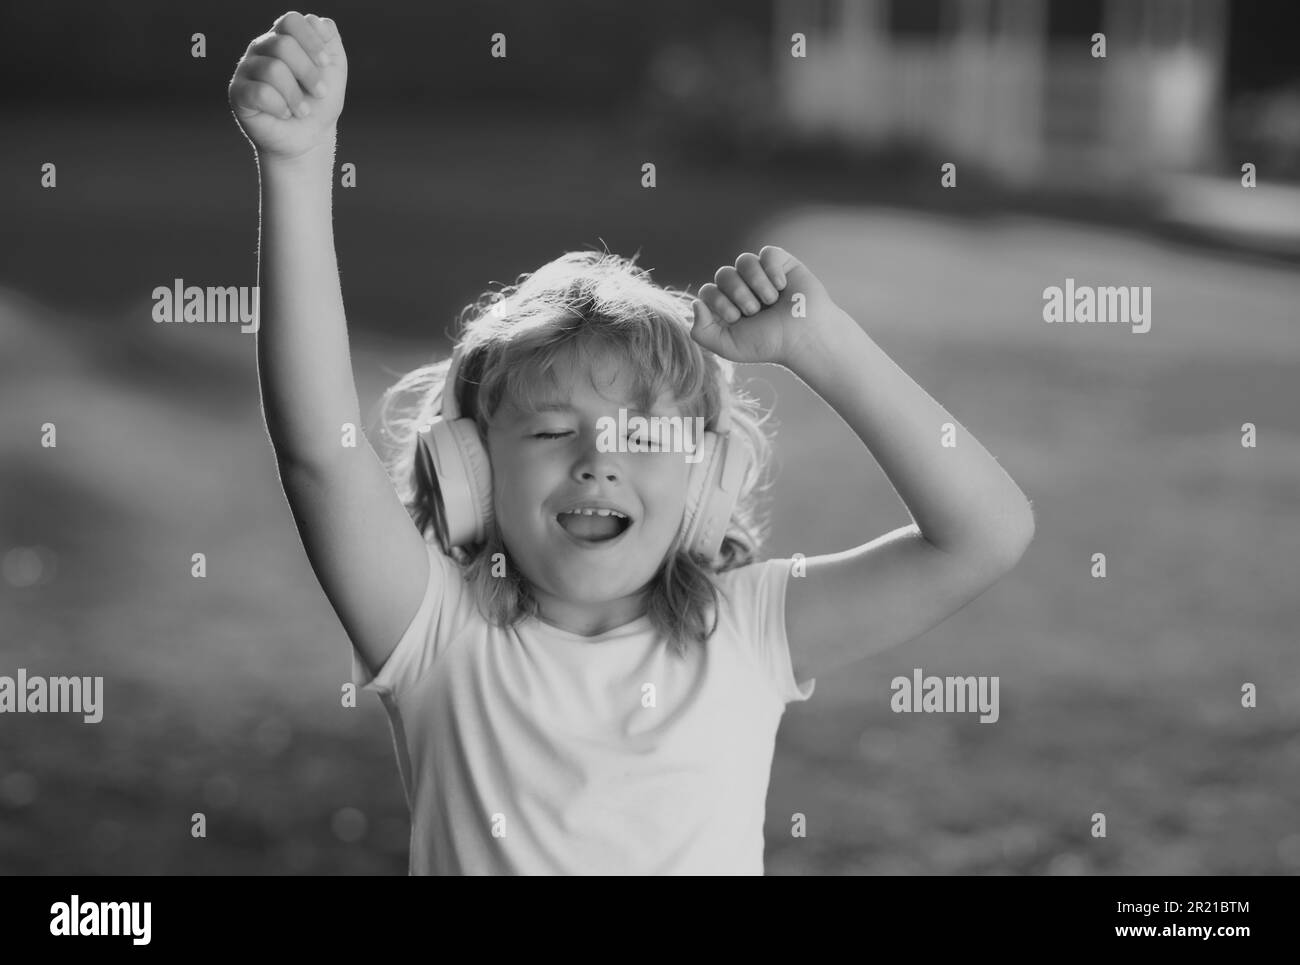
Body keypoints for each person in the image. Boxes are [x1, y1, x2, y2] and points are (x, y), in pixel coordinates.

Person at [228, 11, 1036, 875]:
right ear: (470, 469)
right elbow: (319, 447)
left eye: (643, 432)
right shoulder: (435, 632)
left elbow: (986, 533)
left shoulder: (747, 631)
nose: (597, 458)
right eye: (548, 428)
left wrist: (823, 347)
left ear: (706, 482)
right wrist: (300, 162)